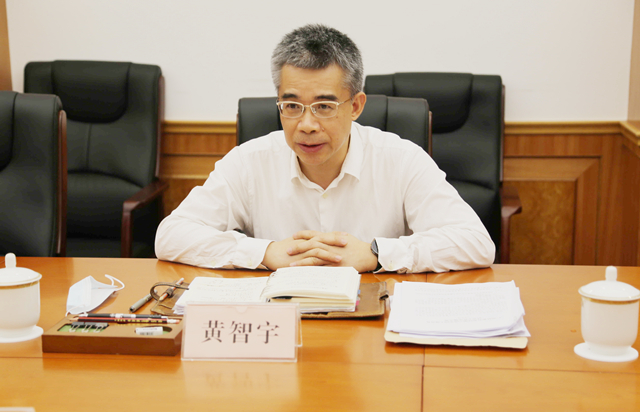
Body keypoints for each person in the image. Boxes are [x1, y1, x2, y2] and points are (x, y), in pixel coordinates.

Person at [155, 24, 495, 273]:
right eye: (292, 106)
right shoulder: (249, 161)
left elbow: (475, 243)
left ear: (356, 106)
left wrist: (377, 254)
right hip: (281, 321)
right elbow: (171, 235)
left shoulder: (401, 159)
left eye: (324, 107)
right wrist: (265, 253)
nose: (306, 125)